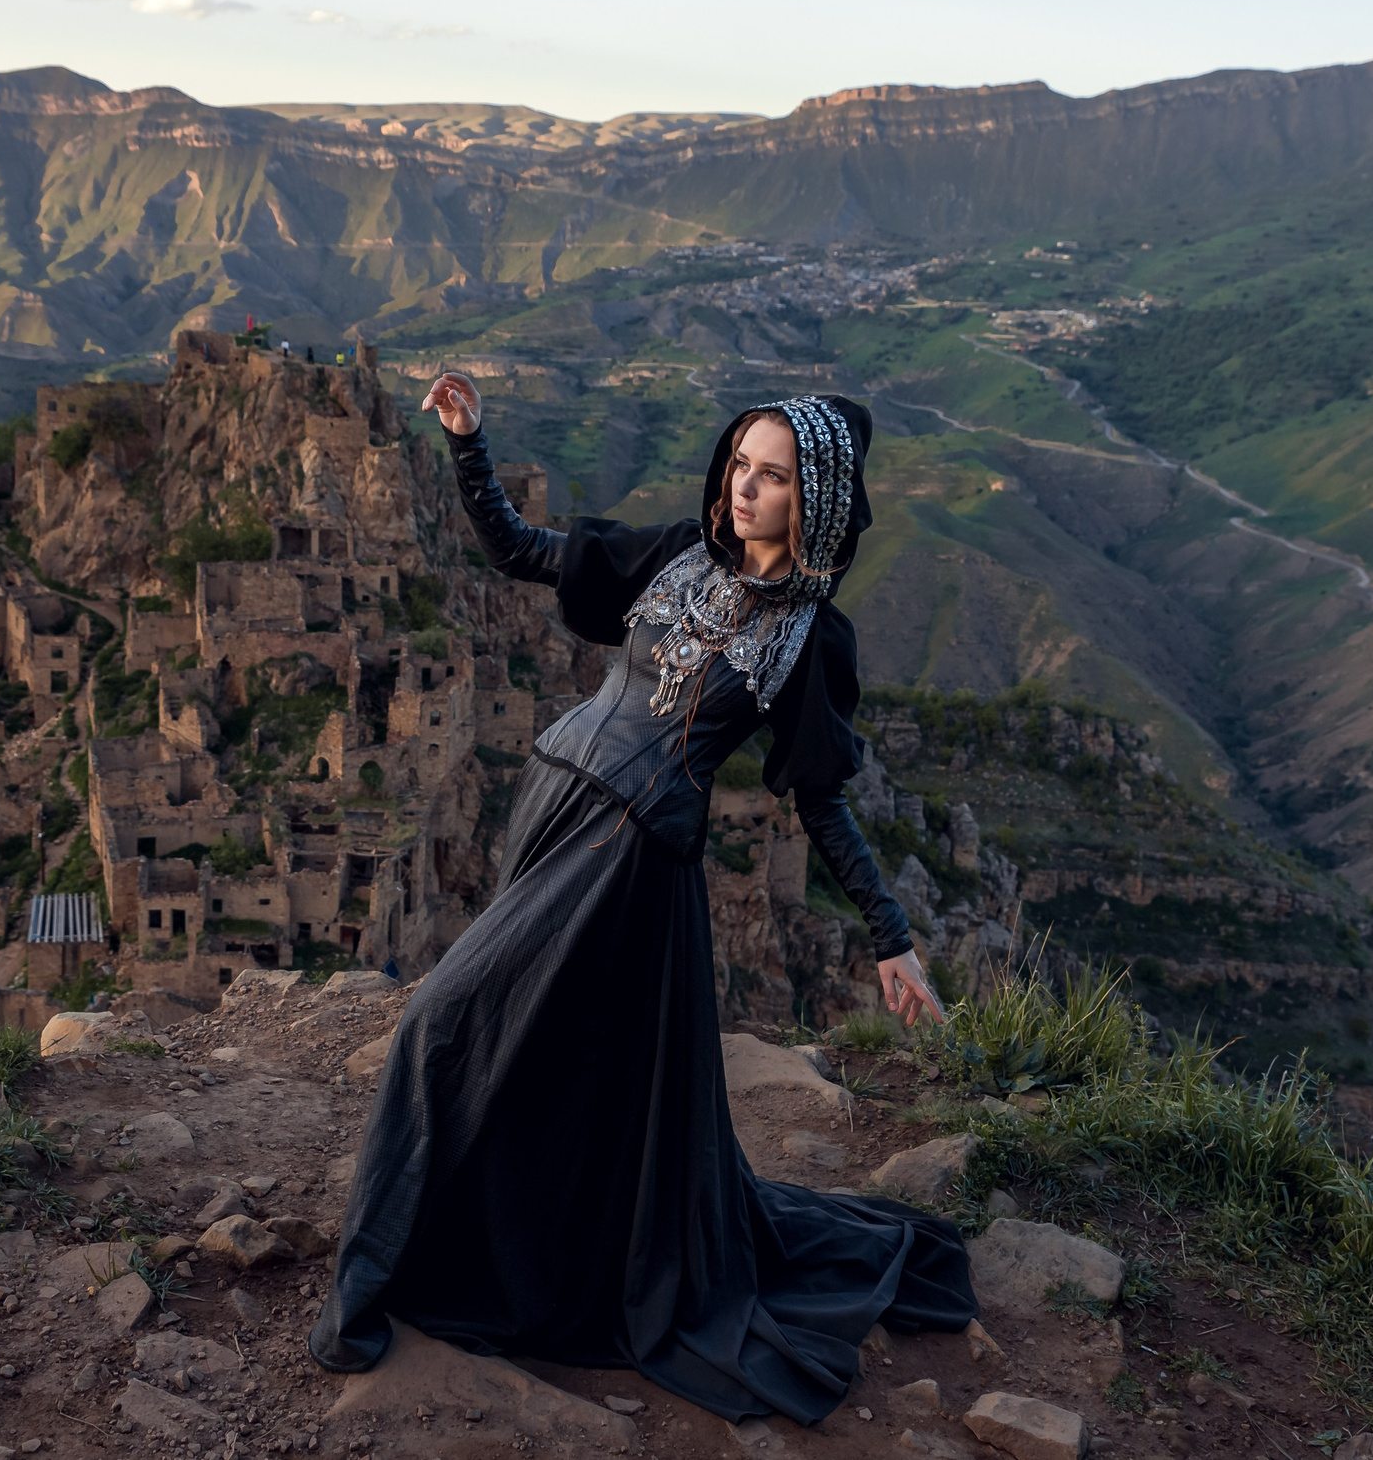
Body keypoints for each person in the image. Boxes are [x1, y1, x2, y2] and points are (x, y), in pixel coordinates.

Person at [307, 372, 974, 1423]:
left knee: (440, 1022)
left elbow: (822, 804)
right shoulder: (674, 551)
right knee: (549, 1061)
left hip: (625, 858)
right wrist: (469, 444)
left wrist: (890, 937)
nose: (742, 487)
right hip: (552, 801)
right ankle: (495, 1241)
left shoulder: (812, 642)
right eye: (740, 464)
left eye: (773, 475)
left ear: (820, 501)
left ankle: (381, 1280)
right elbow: (520, 551)